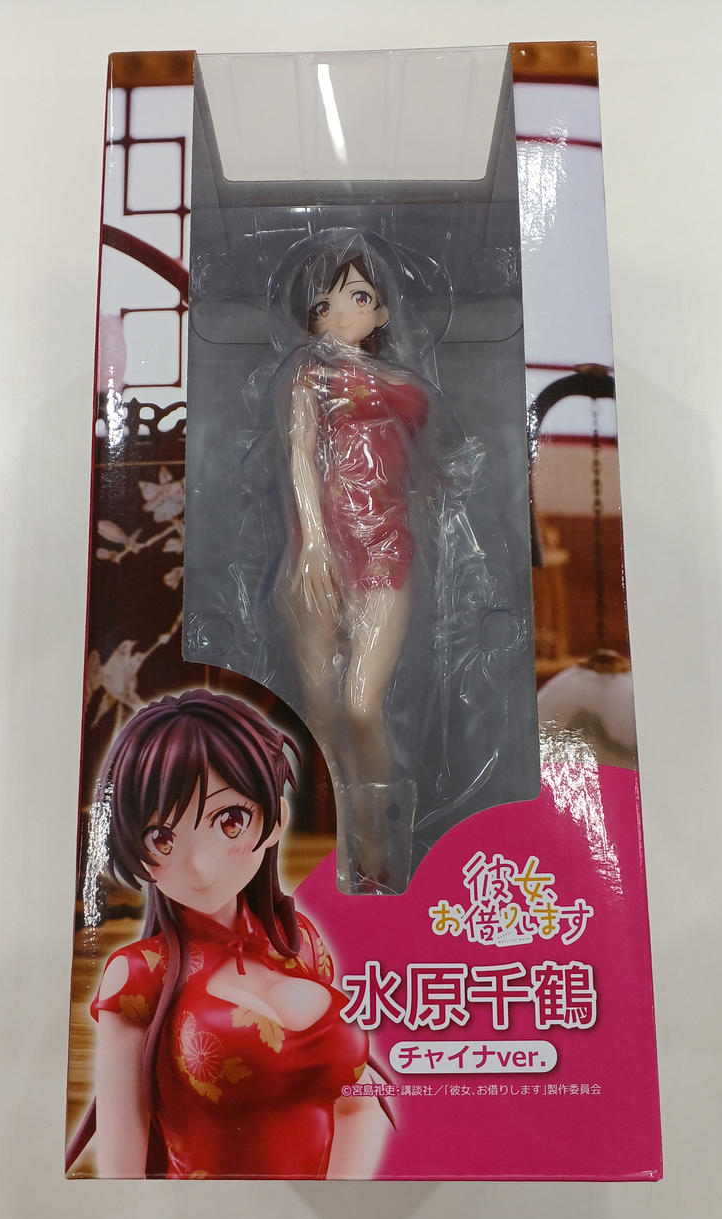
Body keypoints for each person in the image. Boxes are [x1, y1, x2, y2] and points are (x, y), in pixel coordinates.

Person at [68, 688, 387, 1179]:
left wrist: (342, 1202)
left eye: (230, 820)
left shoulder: (299, 939)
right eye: (161, 837)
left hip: (332, 1210)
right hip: (206, 1218)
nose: (198, 865)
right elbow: (121, 1165)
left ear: (275, 820)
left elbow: (359, 1105)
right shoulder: (139, 974)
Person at [280, 239, 431, 888]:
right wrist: (314, 541)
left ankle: (379, 840)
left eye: (357, 298)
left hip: (385, 548)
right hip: (317, 555)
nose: (340, 315)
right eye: (324, 305)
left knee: (362, 703)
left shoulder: (405, 387)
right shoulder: (309, 378)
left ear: (382, 313)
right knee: (321, 716)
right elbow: (300, 452)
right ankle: (344, 851)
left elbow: (420, 469)